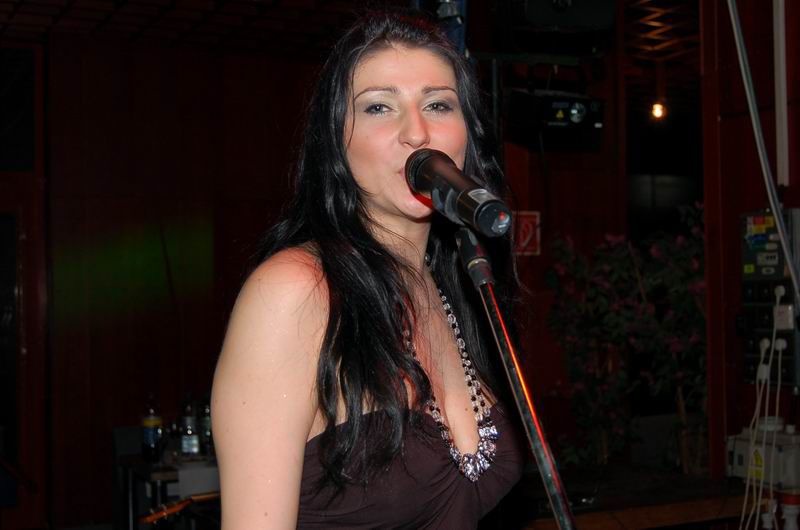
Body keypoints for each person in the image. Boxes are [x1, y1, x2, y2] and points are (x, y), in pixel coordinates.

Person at [211, 9, 525, 529]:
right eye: (379, 107)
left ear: (466, 135)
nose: (417, 132)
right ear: (337, 141)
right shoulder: (295, 291)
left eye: (438, 104)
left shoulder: (461, 286)